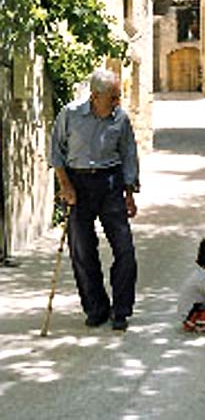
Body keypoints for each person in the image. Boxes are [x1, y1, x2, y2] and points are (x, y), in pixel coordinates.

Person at [50, 68, 139, 331]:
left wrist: (129, 194)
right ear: (95, 96)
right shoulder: (70, 114)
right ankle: (96, 308)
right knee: (82, 251)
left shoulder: (120, 119)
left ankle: (121, 310)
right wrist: (65, 186)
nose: (117, 102)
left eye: (118, 96)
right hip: (78, 184)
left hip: (110, 183)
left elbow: (129, 155)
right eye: (112, 97)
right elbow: (57, 153)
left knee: (125, 250)